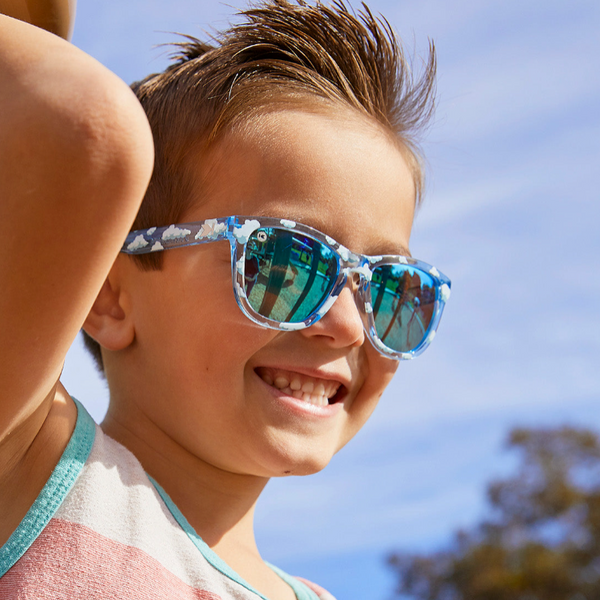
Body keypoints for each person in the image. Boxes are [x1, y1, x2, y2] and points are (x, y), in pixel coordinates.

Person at [0, 1, 450, 598]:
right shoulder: (28, 462)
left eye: (392, 289)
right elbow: (86, 123)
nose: (348, 325)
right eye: (286, 263)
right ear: (108, 294)